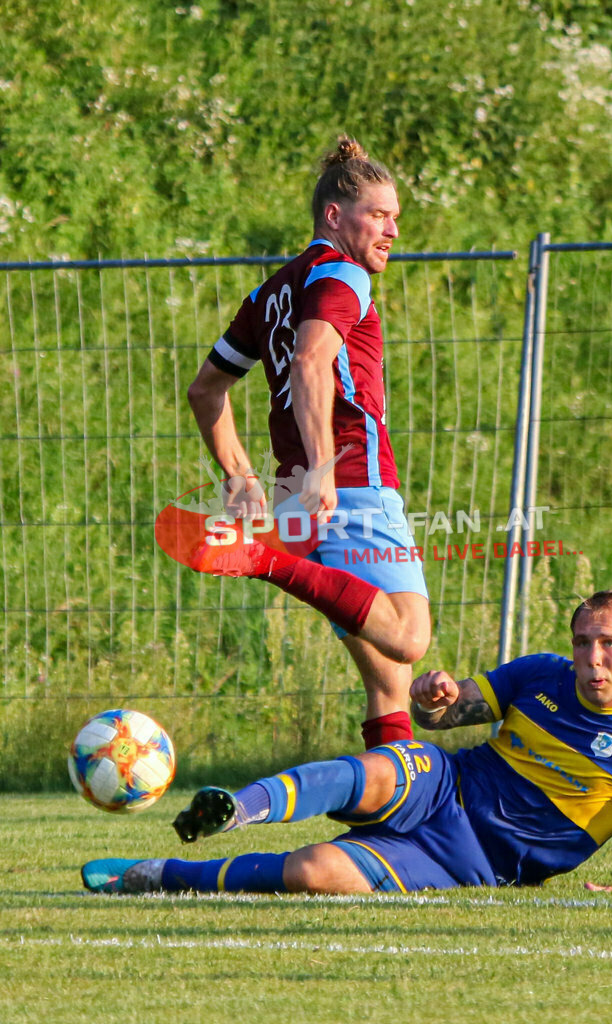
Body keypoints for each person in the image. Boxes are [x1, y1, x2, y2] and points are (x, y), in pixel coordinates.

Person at [81, 592, 612, 895]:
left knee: (312, 873)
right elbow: (443, 717)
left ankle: (156, 874)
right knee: (377, 770)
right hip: (445, 783)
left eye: (609, 644)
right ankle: (236, 809)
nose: (592, 656)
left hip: (472, 862)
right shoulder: (541, 673)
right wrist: (433, 697)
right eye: (584, 641)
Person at [184, 136, 430, 750]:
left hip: (299, 498)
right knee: (408, 638)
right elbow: (311, 360)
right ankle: (262, 559)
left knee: (389, 685)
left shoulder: (269, 292)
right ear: (334, 216)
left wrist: (241, 478)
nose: (392, 230)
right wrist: (323, 466)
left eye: (395, 217)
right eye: (379, 215)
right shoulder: (343, 273)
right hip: (349, 483)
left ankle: (391, 804)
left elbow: (206, 391)